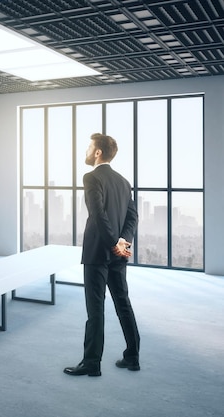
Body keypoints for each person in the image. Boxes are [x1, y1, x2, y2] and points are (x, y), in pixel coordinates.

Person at [64, 133, 140, 377]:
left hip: (98, 253)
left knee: (95, 309)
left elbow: (98, 215)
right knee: (123, 304)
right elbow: (132, 217)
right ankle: (132, 357)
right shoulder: (123, 181)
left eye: (89, 147)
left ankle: (91, 363)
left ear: (98, 152)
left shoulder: (91, 177)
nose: (86, 151)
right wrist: (122, 244)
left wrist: (112, 244)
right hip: (119, 254)